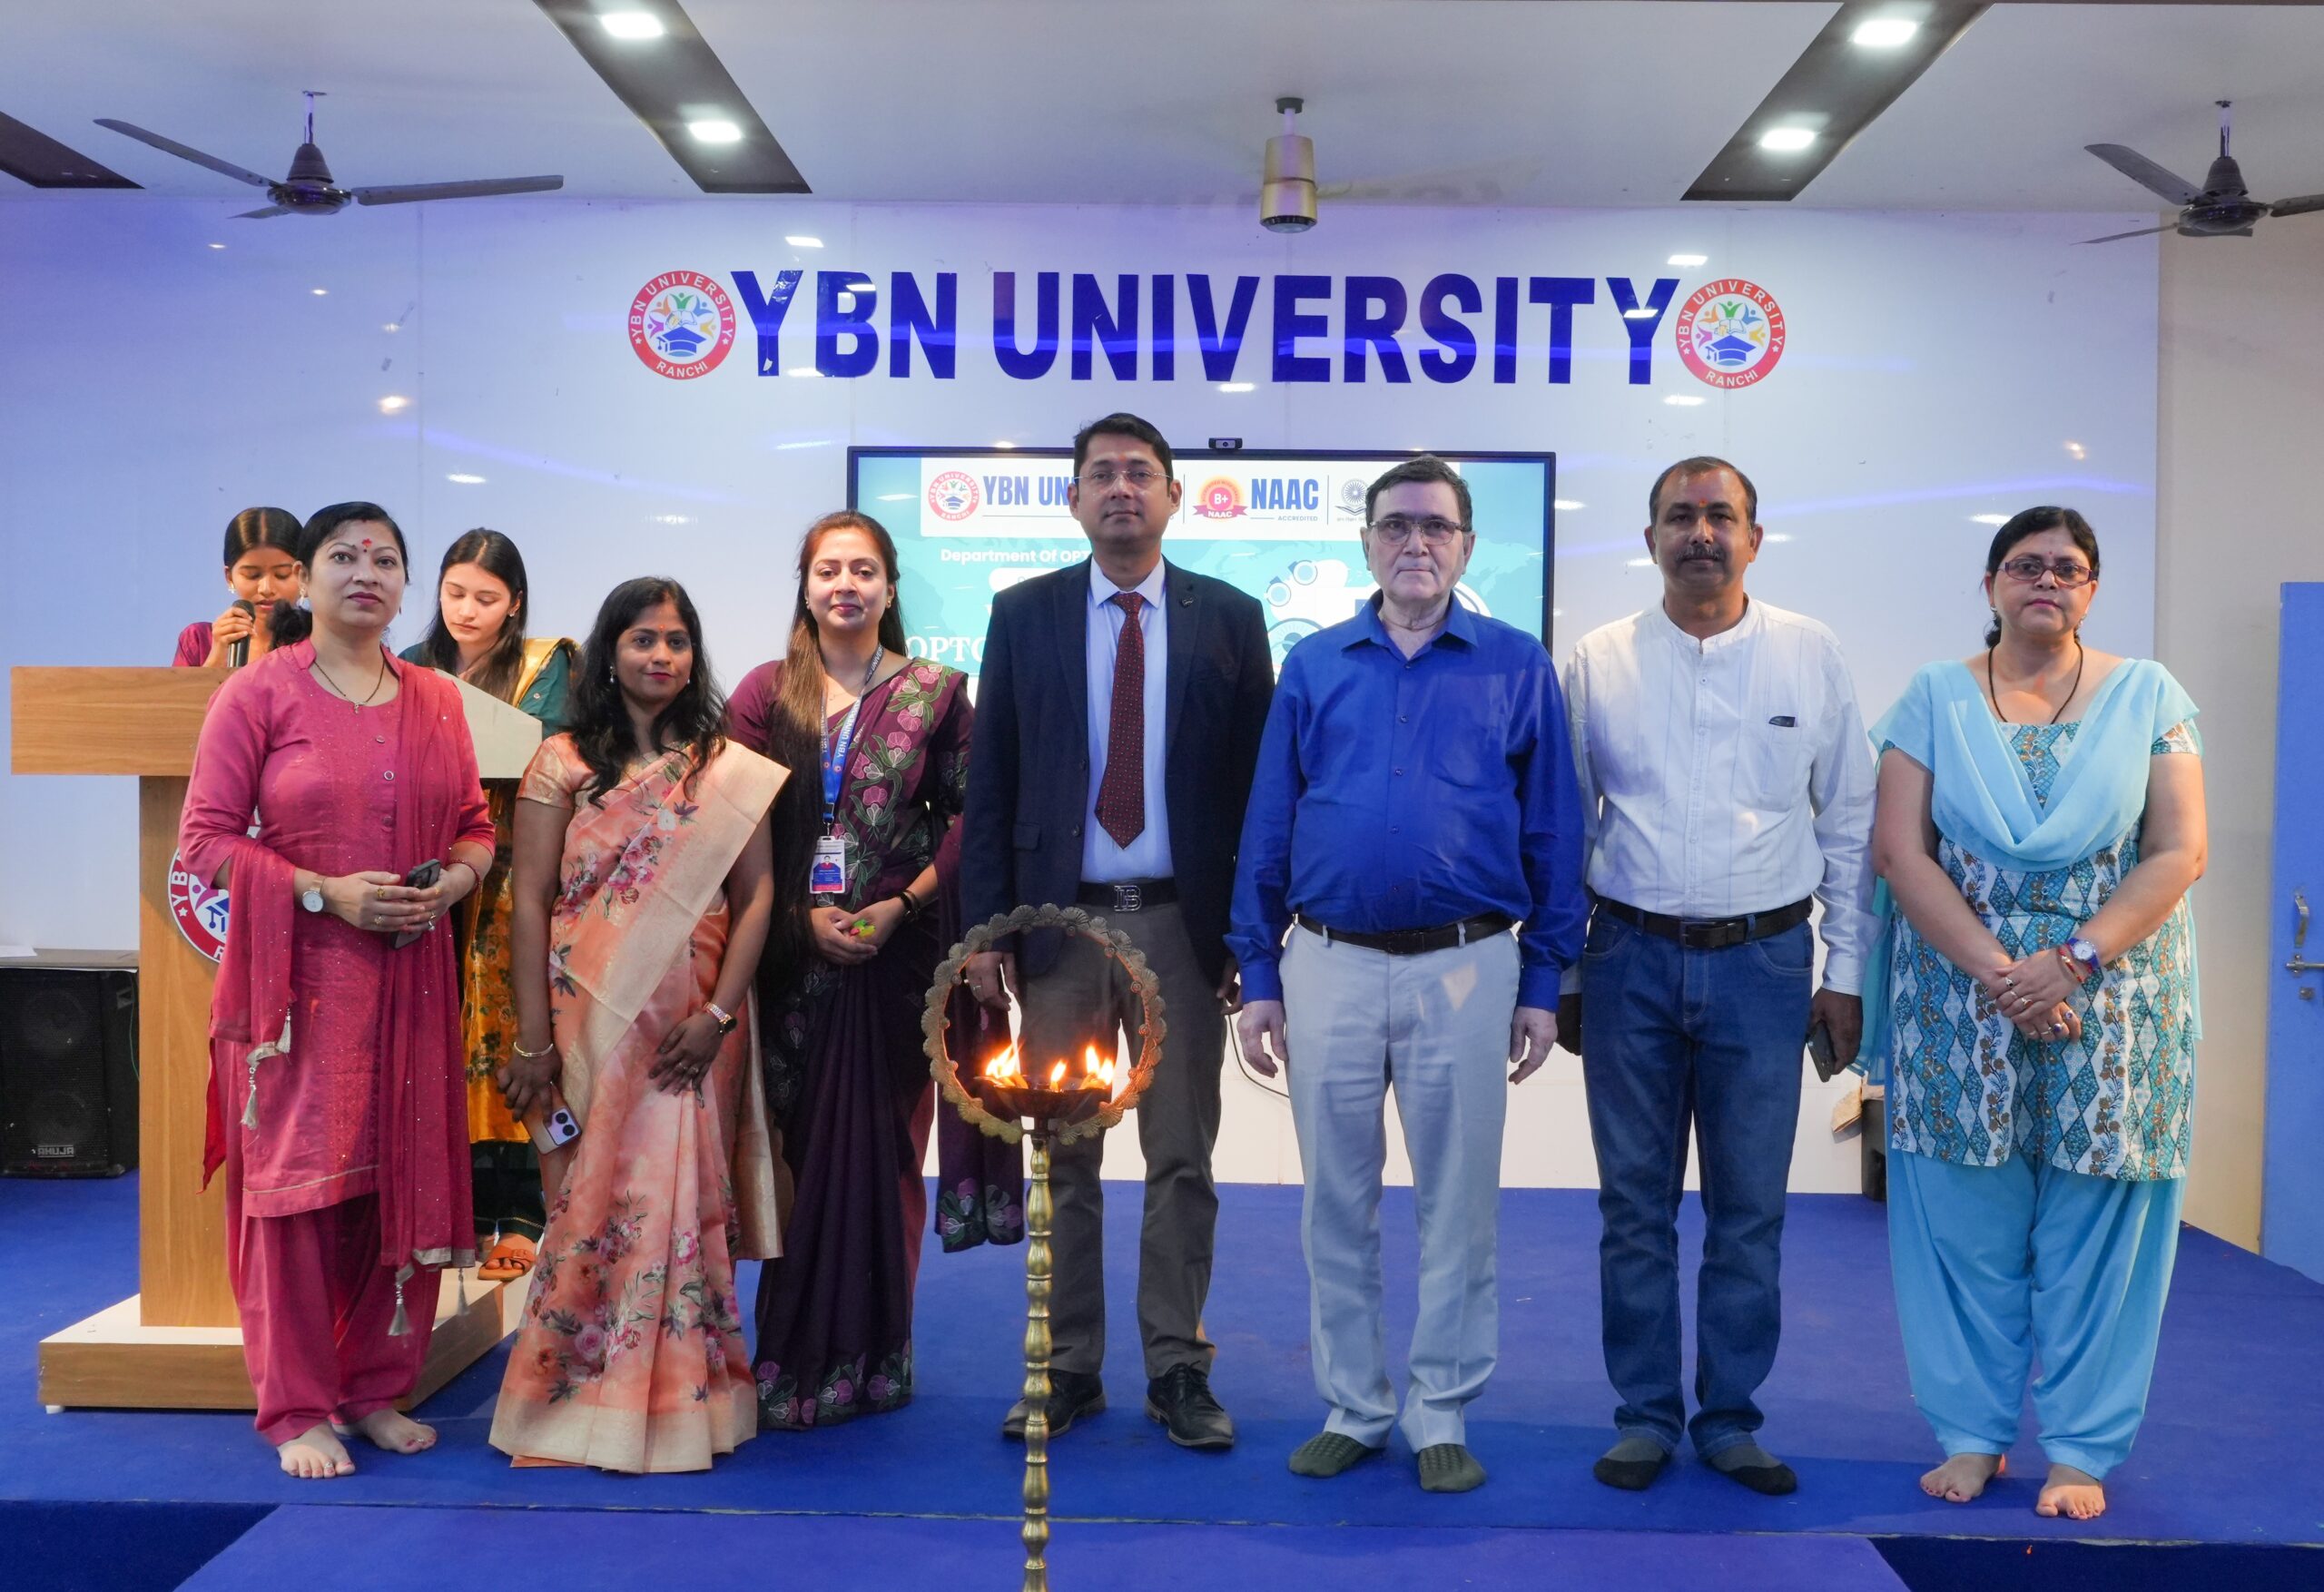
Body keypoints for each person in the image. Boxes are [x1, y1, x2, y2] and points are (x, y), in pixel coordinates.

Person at [1229, 456, 1584, 1494]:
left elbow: (1554, 829)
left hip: (1468, 966)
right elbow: (1269, 818)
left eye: (1435, 525)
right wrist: (1258, 969)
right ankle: (1353, 1405)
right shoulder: (1315, 665)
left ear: (1466, 545)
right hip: (1326, 963)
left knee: (1457, 1207)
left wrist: (1543, 980)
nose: (1414, 542)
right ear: (1367, 542)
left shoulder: (1516, 664)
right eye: (1395, 525)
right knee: (1333, 1204)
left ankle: (1439, 1411)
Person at [1867, 508, 2205, 1522]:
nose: (2046, 580)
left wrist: (2070, 962)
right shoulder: (1932, 696)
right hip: (1957, 1000)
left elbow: (2177, 851)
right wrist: (2004, 974)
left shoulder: (2151, 696)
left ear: (2091, 589)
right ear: (1991, 585)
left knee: (2099, 1232)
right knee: (1962, 1226)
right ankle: (1970, 1437)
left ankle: (2080, 1450)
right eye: (2025, 565)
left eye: (2067, 567)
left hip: (2116, 998)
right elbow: (1900, 851)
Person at [1560, 457, 1876, 1496]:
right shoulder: (1598, 660)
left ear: (1754, 536)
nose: (1700, 532)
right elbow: (1565, 828)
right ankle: (1645, 1416)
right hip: (1627, 958)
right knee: (1632, 1206)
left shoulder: (1808, 652)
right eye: (1680, 516)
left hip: (1765, 964)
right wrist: (1560, 970)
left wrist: (1845, 969)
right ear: (1649, 537)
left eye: (1720, 515)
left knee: (1748, 1208)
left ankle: (1730, 1418)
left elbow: (1850, 822)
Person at [960, 412, 1275, 1450]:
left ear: (1175, 495)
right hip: (1060, 928)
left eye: (1141, 472)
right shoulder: (1024, 613)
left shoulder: (1229, 617)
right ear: (1073, 498)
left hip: (1183, 925)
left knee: (1182, 1154)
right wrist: (987, 931)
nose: (1122, 488)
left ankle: (1178, 1367)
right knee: (1065, 1156)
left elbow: (1257, 791)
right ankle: (1067, 1366)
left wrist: (1250, 934)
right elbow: (992, 777)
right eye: (1102, 473)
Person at [179, 501, 496, 1479]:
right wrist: (324, 891)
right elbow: (205, 842)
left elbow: (477, 827)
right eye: (344, 556)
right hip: (297, 993)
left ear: (404, 586)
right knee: (298, 1196)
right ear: (306, 580)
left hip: (409, 978)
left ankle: (371, 1388)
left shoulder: (436, 698)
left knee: (395, 1175)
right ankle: (297, 1405)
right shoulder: (257, 693)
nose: (366, 572)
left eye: (385, 559)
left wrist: (454, 882)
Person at [489, 577, 784, 1474]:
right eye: (642, 638)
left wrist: (718, 1016)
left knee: (676, 1208)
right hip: (589, 1021)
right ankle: (577, 1406)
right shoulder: (564, 762)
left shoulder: (726, 768)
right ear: (609, 653)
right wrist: (533, 1038)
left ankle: (683, 1405)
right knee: (591, 1205)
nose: (661, 654)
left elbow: (757, 895)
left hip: (692, 1030)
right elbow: (530, 898)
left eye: (677, 640)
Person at [728, 510, 999, 1430]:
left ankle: (875, 1359)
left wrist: (903, 905)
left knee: (882, 1155)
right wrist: (797, 918)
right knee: (802, 1157)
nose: (845, 584)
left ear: (889, 588)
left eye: (864, 570)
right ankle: (788, 1356)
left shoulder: (936, 693)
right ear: (805, 588)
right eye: (828, 570)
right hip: (787, 959)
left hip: (897, 960)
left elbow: (969, 819)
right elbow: (731, 819)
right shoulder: (765, 694)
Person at [399, 529, 578, 1281]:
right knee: (437, 1034)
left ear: (515, 603)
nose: (466, 610)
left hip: (515, 871)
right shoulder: (407, 665)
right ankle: (461, 1209)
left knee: (515, 1033)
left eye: (486, 597)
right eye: (455, 592)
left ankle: (525, 1213)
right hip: (427, 872)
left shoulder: (546, 665)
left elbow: (550, 753)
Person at [172, 506, 304, 668]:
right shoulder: (198, 640)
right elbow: (176, 686)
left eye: (282, 574)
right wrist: (216, 659)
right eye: (252, 575)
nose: (266, 589)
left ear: (303, 575)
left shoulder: (322, 643)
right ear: (229, 577)